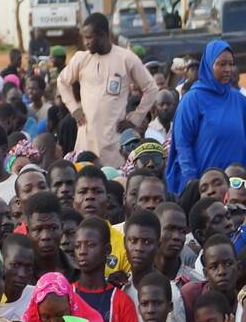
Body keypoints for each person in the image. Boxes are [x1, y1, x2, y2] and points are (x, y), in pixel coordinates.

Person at [58, 13, 159, 168]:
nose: (85, 42)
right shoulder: (81, 59)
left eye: (89, 38)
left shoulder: (126, 58)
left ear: (103, 35)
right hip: (86, 144)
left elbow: (151, 88)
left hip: (114, 145)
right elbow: (62, 81)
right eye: (84, 38)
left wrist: (135, 120)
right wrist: (74, 109)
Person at [166, 40, 246, 194]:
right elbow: (183, 145)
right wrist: (193, 182)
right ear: (209, 65)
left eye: (231, 64)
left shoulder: (239, 100)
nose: (228, 69)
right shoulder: (192, 100)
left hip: (236, 189)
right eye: (222, 64)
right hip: (206, 189)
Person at [73, 218, 139, 322]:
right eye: (77, 246)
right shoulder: (66, 295)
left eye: (90, 245)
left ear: (107, 250)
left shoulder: (121, 302)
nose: (82, 251)